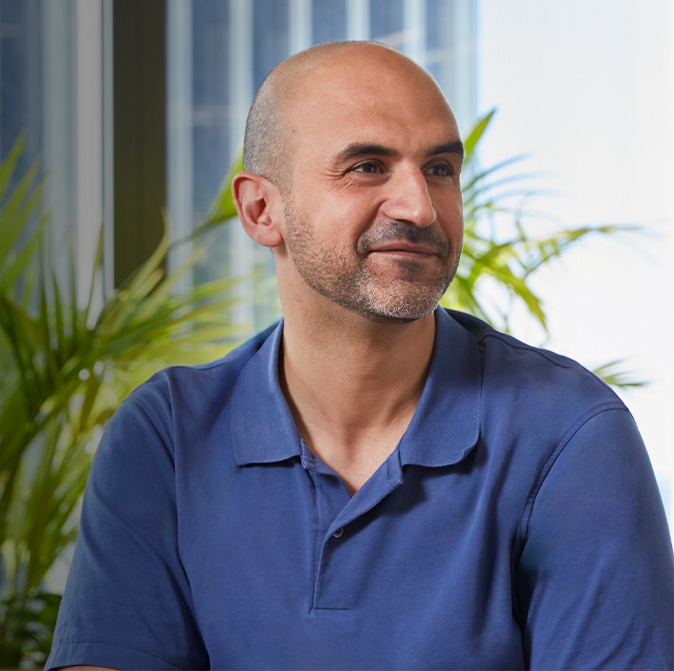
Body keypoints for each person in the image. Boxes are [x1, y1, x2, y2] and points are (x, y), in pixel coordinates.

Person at [47, 41, 674, 671]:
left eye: (440, 169)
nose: (421, 208)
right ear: (261, 209)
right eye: (368, 166)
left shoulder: (571, 434)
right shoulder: (167, 434)